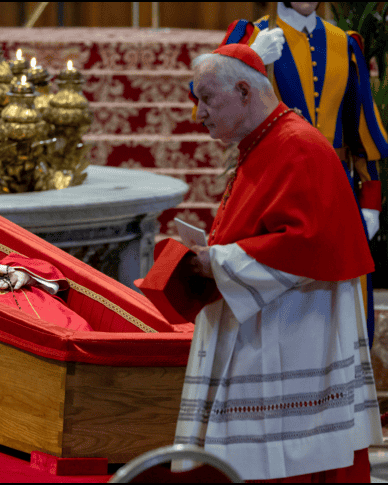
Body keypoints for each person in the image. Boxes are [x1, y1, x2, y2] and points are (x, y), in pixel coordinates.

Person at [150, 44, 381, 481]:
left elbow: (306, 244)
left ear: (243, 91)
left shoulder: (297, 146)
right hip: (271, 322)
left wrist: (216, 262)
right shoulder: (264, 142)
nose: (199, 113)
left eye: (206, 98)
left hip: (295, 330)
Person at [212, 1, 388, 348]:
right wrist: (249, 59)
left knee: (344, 291)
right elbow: (206, 99)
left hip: (338, 189)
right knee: (282, 296)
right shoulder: (252, 35)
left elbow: (361, 127)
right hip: (275, 187)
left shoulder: (344, 43)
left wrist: (370, 201)